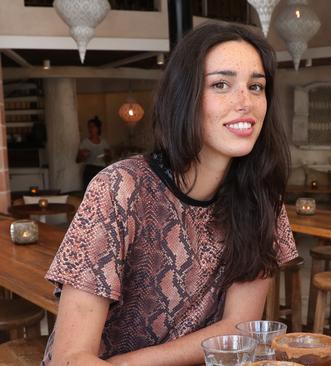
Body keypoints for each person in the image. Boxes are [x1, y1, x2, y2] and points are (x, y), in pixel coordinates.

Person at [42, 21, 297, 365]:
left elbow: (239, 328)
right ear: (185, 97)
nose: (245, 102)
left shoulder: (261, 197)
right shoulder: (120, 188)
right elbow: (70, 358)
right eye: (221, 84)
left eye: (256, 86)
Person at [76, 116, 112, 191]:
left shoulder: (104, 143)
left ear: (98, 128)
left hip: (101, 170)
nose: (90, 129)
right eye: (89, 127)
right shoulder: (85, 142)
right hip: (89, 170)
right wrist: (83, 155)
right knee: (89, 193)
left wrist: (107, 155)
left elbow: (109, 160)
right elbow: (77, 160)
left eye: (92, 127)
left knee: (102, 192)